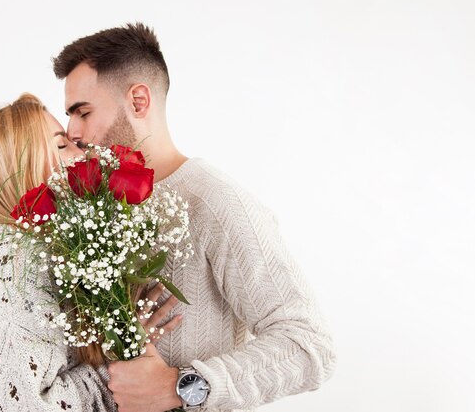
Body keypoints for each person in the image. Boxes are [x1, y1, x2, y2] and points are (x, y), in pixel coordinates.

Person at [51, 23, 337, 412]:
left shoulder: (217, 202)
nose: (73, 132)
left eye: (82, 112)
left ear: (138, 101)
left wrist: (182, 386)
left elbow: (309, 345)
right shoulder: (93, 208)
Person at [0, 94, 182, 410]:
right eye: (61, 146)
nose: (80, 151)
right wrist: (121, 360)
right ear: (18, 167)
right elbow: (33, 406)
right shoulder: (12, 255)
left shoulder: (33, 250)